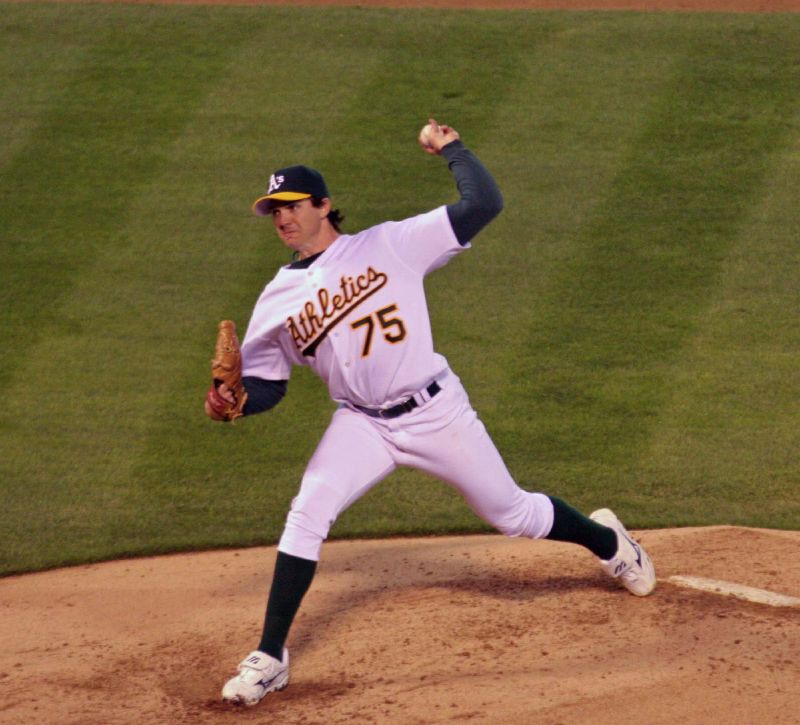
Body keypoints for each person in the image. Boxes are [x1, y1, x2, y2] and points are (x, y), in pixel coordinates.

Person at [208, 119, 656, 708]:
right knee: (306, 511)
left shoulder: (390, 243)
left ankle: (612, 543)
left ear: (324, 205)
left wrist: (452, 149)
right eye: (274, 211)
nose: (283, 218)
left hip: (435, 410)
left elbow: (483, 203)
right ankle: (270, 657)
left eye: (292, 206)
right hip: (362, 422)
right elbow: (270, 384)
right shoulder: (277, 297)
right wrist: (239, 401)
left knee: (514, 514)